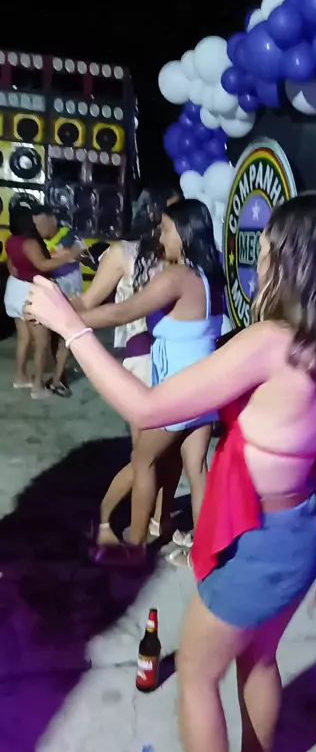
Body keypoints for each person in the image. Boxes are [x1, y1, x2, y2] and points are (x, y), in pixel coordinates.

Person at [25, 191, 316, 752]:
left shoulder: (273, 343)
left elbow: (147, 408)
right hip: (305, 522)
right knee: (259, 660)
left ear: (291, 258)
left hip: (262, 544)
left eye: (268, 244)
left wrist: (71, 327)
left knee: (196, 676)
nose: (259, 254)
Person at [73, 198, 225, 564]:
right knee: (197, 469)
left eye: (167, 229)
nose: (161, 236)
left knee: (143, 462)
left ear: (185, 234)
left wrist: (67, 318)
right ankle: (205, 555)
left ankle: (136, 548)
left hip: (176, 393)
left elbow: (123, 312)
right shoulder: (211, 275)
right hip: (206, 390)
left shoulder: (178, 277)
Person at [73, 186, 183, 554]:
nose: (179, 218)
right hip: (140, 358)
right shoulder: (124, 253)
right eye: (172, 210)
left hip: (176, 359)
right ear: (153, 213)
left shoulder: (180, 252)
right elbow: (90, 301)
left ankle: (154, 520)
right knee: (145, 455)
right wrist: (57, 311)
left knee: (168, 452)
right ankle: (105, 520)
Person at [4, 205, 79, 399]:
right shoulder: (30, 243)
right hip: (29, 291)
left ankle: (20, 377)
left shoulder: (11, 240)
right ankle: (37, 387)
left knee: (23, 339)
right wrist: (69, 256)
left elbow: (11, 263)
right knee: (42, 343)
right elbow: (43, 265)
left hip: (14, 288)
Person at [32, 203, 85, 397]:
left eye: (41, 224)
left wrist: (67, 255)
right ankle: (58, 373)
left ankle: (57, 379)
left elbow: (80, 253)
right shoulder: (35, 241)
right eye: (35, 225)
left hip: (70, 293)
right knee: (51, 339)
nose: (38, 228)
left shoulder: (68, 235)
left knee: (66, 335)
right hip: (50, 294)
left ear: (52, 219)